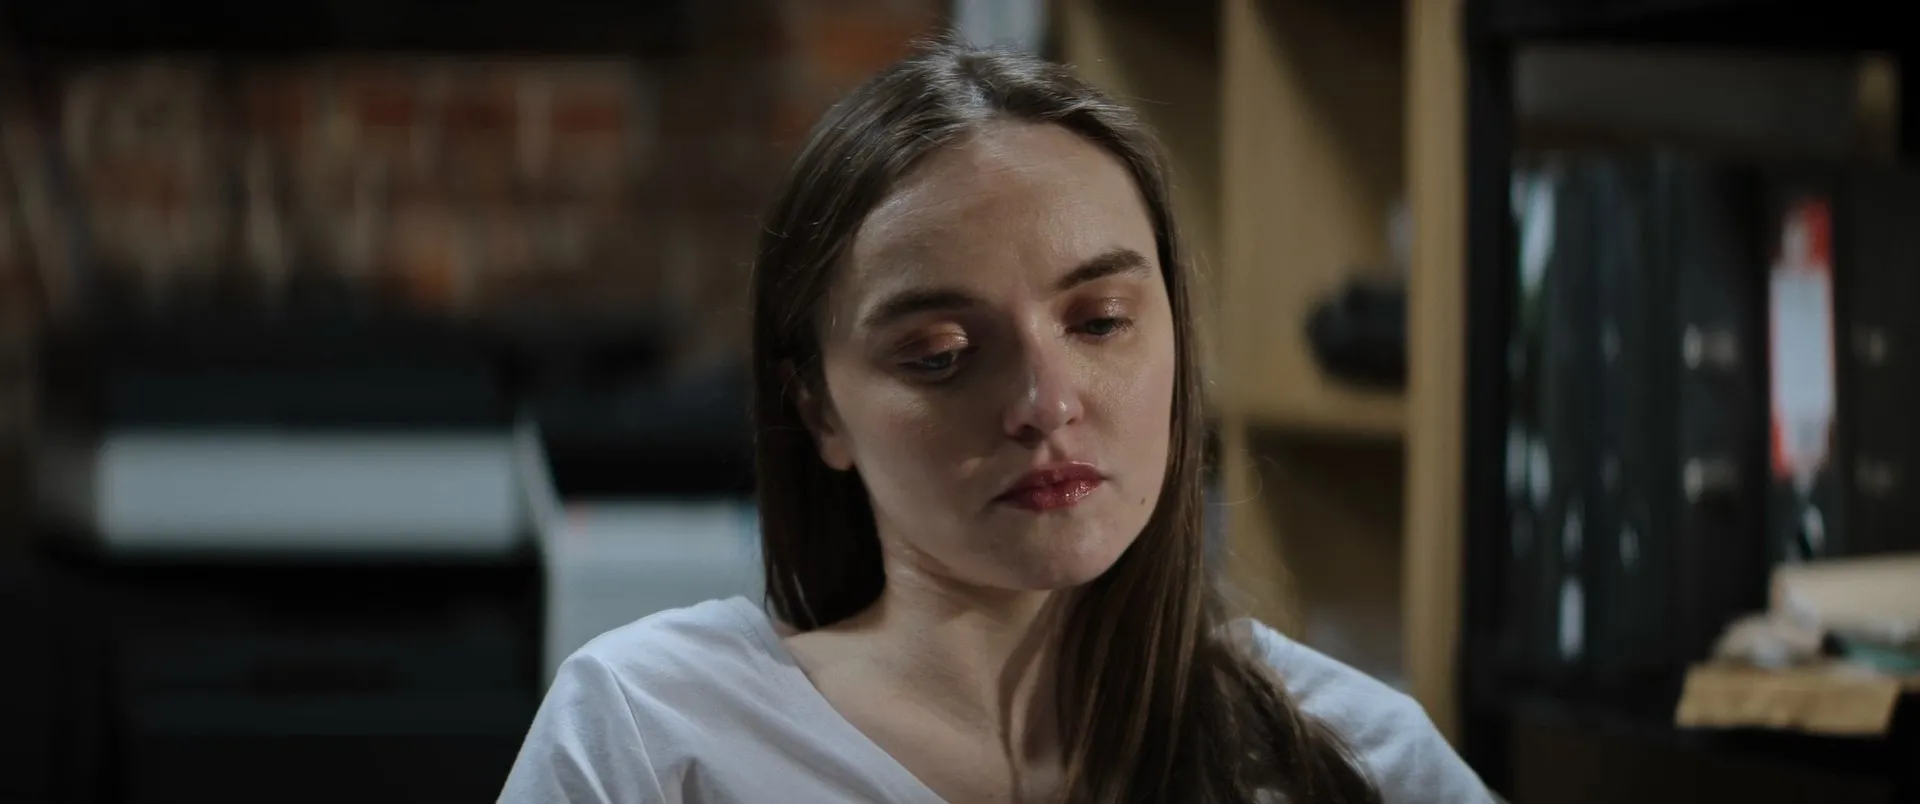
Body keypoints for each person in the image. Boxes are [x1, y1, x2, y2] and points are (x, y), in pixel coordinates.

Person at [498, 41, 1493, 804]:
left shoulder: (1352, 757)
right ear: (820, 410)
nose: (1046, 404)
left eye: (1100, 323)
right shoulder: (652, 732)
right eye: (940, 354)